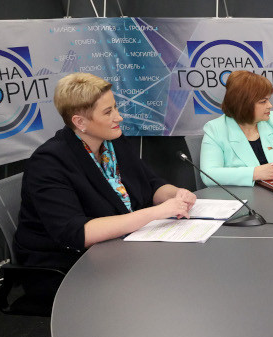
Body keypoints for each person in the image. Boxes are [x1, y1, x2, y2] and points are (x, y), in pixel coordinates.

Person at [14, 72, 196, 296]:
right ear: (79, 122)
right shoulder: (49, 162)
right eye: (108, 112)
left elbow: (151, 184)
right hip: (67, 267)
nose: (119, 117)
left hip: (121, 250)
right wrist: (156, 213)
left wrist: (175, 194)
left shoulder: (114, 142)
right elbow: (78, 233)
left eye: (116, 108)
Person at [200, 70, 273, 186]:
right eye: (263, 101)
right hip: (243, 195)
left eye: (268, 99)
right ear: (243, 104)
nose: (270, 105)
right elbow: (208, 175)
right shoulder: (215, 128)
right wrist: (255, 173)